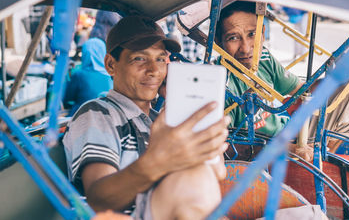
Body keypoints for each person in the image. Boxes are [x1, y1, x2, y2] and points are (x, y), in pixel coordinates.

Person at [63, 14, 228, 219]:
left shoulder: (161, 119)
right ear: (111, 64)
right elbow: (99, 200)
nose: (153, 71)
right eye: (140, 58)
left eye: (160, 59)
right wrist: (158, 162)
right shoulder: (98, 113)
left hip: (179, 207)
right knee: (195, 178)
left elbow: (219, 172)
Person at [215, 1, 349, 157]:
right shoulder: (219, 83)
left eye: (252, 34)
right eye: (233, 38)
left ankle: (323, 157)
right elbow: (230, 149)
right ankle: (313, 159)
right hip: (263, 152)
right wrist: (290, 149)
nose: (246, 48)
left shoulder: (263, 58)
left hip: (290, 133)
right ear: (218, 41)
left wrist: (345, 79)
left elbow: (303, 91)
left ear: (262, 33)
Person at [63, 38, 113, 116]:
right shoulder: (111, 76)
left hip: (81, 118)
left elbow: (67, 98)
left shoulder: (79, 75)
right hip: (106, 119)